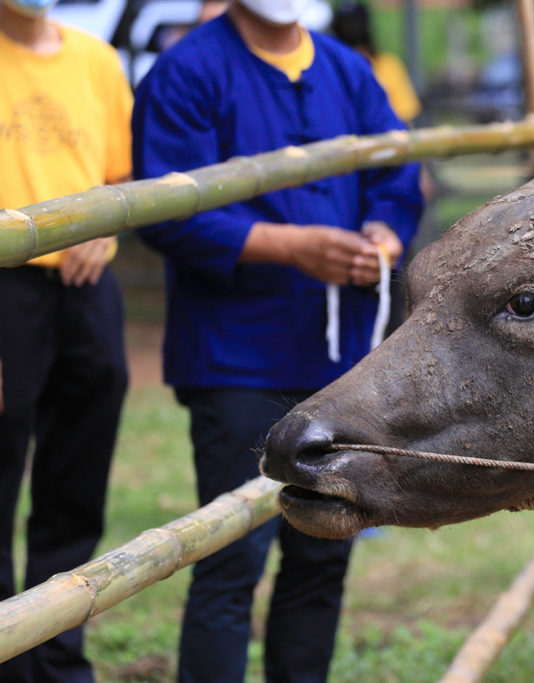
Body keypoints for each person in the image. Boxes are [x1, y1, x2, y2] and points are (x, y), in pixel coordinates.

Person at [131, 0, 423, 680]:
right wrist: (290, 247)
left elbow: (398, 172)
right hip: (236, 352)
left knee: (324, 549)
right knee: (232, 553)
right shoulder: (187, 71)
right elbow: (167, 209)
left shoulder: (349, 71)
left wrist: (384, 232)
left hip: (340, 358)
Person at [0, 0, 133, 679]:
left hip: (85, 284)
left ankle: (55, 656)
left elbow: (117, 173)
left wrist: (104, 231)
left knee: (76, 478)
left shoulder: (96, 59)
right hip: (5, 281)